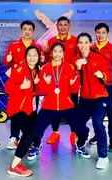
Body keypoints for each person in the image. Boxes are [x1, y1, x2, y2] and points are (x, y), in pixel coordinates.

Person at [27, 42, 90, 161]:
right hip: (48, 106)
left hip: (66, 106)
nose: (57, 54)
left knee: (82, 130)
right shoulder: (45, 68)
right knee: (36, 129)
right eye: (55, 51)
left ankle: (80, 146)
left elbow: (75, 89)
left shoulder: (69, 67)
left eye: (60, 51)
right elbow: (41, 91)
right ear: (51, 53)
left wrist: (73, 84)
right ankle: (36, 146)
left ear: (63, 53)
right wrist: (45, 82)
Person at [3, 20, 44, 150]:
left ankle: (30, 138)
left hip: (33, 85)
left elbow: (41, 65)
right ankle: (14, 137)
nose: (27, 31)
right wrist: (7, 60)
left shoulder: (38, 46)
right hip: (18, 84)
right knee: (17, 111)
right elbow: (5, 63)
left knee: (32, 110)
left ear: (33, 31)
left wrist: (43, 61)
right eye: (24, 29)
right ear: (21, 31)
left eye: (30, 29)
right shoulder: (14, 45)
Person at [73, 32, 110, 169]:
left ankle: (103, 156)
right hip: (84, 98)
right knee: (79, 124)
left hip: (100, 96)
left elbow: (108, 78)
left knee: (97, 122)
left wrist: (103, 75)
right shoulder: (75, 60)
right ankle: (81, 145)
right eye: (80, 42)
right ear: (77, 44)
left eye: (86, 42)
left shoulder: (99, 58)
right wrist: (77, 69)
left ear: (90, 43)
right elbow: (74, 82)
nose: (83, 45)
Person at [43, 16, 79, 146]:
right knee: (54, 106)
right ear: (57, 26)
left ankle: (74, 132)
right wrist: (46, 51)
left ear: (69, 26)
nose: (63, 27)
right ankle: (55, 132)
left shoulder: (75, 40)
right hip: (55, 80)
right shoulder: (51, 41)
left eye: (65, 25)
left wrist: (74, 74)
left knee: (72, 106)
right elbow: (48, 59)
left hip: (69, 80)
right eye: (60, 25)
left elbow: (79, 57)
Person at [6, 46, 41, 177]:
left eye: (35, 55)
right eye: (29, 55)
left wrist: (38, 83)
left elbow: (34, 91)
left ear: (39, 57)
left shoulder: (36, 70)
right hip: (17, 108)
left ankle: (22, 145)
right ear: (26, 56)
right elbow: (8, 87)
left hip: (29, 108)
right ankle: (14, 166)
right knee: (29, 132)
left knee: (34, 131)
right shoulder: (19, 68)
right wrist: (21, 86)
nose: (32, 58)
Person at [89, 23, 112, 151]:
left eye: (103, 32)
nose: (100, 35)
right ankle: (98, 135)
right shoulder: (90, 49)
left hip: (110, 86)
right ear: (95, 33)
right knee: (97, 115)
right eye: (98, 32)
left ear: (107, 34)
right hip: (96, 87)